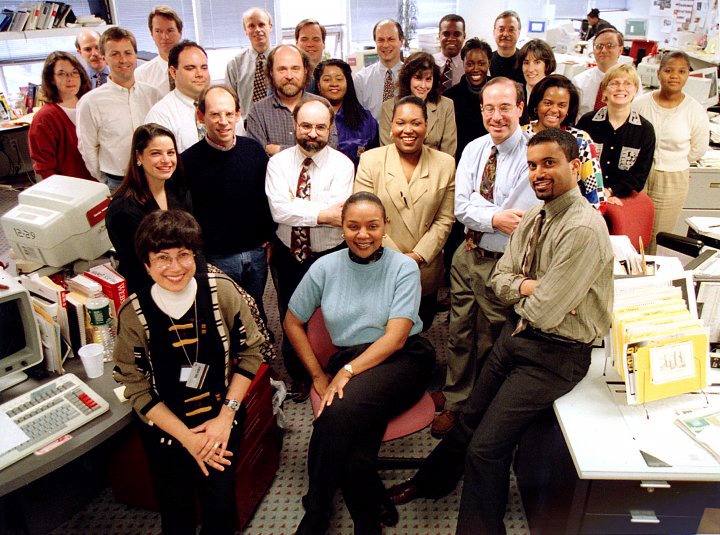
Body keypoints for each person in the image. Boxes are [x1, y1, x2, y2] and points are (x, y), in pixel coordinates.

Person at [388, 127, 614, 535]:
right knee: (469, 416)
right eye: (532, 165)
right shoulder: (535, 217)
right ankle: (430, 483)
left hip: (556, 355)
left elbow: (545, 313)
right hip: (519, 335)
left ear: (575, 167)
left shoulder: (581, 229)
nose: (538, 173)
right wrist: (531, 287)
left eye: (550, 163)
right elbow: (501, 280)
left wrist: (526, 291)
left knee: (486, 450)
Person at [286, 191, 436, 534]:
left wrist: (346, 372)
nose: (363, 234)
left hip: (403, 358)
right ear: (342, 228)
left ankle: (317, 509)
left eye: (372, 225)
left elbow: (396, 337)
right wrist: (317, 375)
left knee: (334, 413)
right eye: (353, 226)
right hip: (350, 360)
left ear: (385, 227)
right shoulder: (323, 267)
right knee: (355, 455)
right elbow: (292, 322)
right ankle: (369, 515)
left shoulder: (403, 267)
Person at [113, 209, 267, 534]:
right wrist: (188, 439)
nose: (175, 267)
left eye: (184, 255)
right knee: (176, 512)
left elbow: (251, 352)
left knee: (221, 510)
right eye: (163, 258)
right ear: (146, 263)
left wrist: (225, 419)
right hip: (167, 431)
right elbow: (136, 386)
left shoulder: (221, 291)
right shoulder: (133, 314)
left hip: (220, 421)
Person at [430, 77, 540, 438]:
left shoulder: (531, 154)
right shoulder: (475, 148)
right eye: (489, 108)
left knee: (492, 336)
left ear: (521, 109)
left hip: (504, 264)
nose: (497, 116)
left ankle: (485, 407)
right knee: (458, 331)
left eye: (505, 107)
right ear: (481, 110)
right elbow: (462, 207)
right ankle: (456, 399)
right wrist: (492, 216)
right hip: (468, 254)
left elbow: (518, 217)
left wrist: (487, 212)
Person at [265, 96, 354, 401]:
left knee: (332, 315)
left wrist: (297, 205)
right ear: (294, 126)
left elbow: (338, 215)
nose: (312, 133)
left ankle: (333, 368)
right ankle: (300, 375)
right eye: (305, 125)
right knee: (292, 314)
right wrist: (321, 212)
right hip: (288, 254)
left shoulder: (343, 165)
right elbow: (279, 211)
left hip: (330, 254)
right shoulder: (277, 163)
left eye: (320, 127)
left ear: (330, 128)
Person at [355, 96, 455, 330]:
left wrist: (417, 257)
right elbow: (363, 219)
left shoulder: (445, 163)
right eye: (401, 123)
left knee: (420, 328)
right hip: (379, 264)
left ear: (426, 127)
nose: (408, 130)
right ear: (391, 127)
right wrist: (398, 261)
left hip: (424, 267)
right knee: (378, 332)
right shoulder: (371, 160)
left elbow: (444, 219)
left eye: (416, 123)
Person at [182, 85, 275, 325]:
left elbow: (265, 197)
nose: (223, 121)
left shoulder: (253, 150)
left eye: (229, 114)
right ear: (201, 116)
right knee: (224, 316)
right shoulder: (188, 162)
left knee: (256, 309)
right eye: (214, 114)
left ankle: (262, 357)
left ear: (238, 114)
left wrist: (268, 238)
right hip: (217, 257)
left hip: (255, 253)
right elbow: (186, 214)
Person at [633, 51, 709, 253]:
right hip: (638, 174)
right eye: (668, 70)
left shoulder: (694, 110)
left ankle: (652, 280)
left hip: (673, 178)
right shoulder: (640, 103)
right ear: (658, 73)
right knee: (634, 231)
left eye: (681, 71)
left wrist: (675, 162)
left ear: (687, 76)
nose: (674, 76)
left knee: (658, 236)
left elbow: (698, 149)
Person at [106, 123, 192, 293]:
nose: (166, 160)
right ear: (138, 156)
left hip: (183, 279)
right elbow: (138, 264)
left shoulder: (179, 190)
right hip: (148, 289)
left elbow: (193, 243)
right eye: (156, 153)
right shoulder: (123, 208)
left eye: (171, 153)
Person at [77, 27, 161, 192]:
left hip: (154, 177)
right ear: (104, 57)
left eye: (128, 53)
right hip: (117, 183)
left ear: (135, 55)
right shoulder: (90, 102)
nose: (123, 60)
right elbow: (87, 148)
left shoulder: (153, 95)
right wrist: (104, 180)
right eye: (115, 54)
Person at [524, 74, 606, 209]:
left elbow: (596, 195)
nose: (554, 110)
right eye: (548, 103)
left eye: (562, 105)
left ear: (569, 109)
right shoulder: (519, 136)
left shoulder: (580, 140)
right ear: (536, 104)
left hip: (569, 218)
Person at [577, 63, 655, 202]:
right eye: (614, 83)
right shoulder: (587, 122)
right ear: (604, 90)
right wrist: (597, 194)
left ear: (635, 90)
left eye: (627, 83)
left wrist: (610, 192)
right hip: (585, 197)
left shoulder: (645, 130)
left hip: (624, 199)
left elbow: (639, 175)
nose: (621, 88)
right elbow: (576, 162)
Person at [246, 45, 338, 156]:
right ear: (271, 72)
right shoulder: (257, 111)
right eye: (282, 69)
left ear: (305, 70)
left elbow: (330, 150)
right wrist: (310, 149)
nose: (289, 76)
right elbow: (257, 156)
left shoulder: (322, 105)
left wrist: (278, 150)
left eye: (295, 68)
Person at [28, 51, 94, 180]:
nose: (70, 78)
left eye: (75, 72)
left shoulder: (91, 104)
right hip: (71, 188)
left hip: (103, 184)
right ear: (51, 79)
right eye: (61, 74)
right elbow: (44, 168)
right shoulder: (45, 118)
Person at [379, 52, 457, 157]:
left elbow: (448, 153)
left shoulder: (446, 105)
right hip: (398, 170)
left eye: (428, 79)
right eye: (418, 78)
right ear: (408, 78)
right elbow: (387, 152)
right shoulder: (389, 107)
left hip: (436, 170)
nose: (423, 85)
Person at [144, 40, 213, 153]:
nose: (199, 74)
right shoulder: (160, 115)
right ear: (173, 72)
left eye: (204, 67)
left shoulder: (223, 105)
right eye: (190, 68)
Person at [314, 59, 379, 168]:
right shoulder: (308, 116)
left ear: (348, 82)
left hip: (357, 182)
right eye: (327, 79)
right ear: (318, 85)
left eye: (339, 79)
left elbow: (375, 160)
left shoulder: (365, 120)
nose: (334, 84)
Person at [444, 38, 491, 162]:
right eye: (469, 64)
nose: (475, 69)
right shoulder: (449, 97)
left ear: (489, 63)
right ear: (463, 63)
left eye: (481, 63)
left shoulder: (500, 91)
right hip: (461, 161)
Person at [225, 7, 273, 118]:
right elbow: (229, 102)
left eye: (261, 24)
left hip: (277, 124)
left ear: (270, 27)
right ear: (245, 30)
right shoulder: (234, 65)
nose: (257, 29)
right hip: (247, 126)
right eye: (251, 26)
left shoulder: (282, 60)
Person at [353, 19, 404, 120]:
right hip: (372, 135)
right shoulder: (360, 79)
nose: (385, 45)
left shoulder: (413, 77)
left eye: (391, 39)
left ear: (401, 41)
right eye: (380, 40)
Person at [573, 28, 627, 117]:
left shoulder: (631, 82)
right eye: (599, 46)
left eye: (610, 45)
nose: (604, 50)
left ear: (620, 50)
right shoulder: (579, 81)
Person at [135, 6, 183, 96]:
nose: (165, 37)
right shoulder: (142, 74)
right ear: (152, 34)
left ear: (180, 32)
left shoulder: (195, 68)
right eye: (158, 31)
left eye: (170, 30)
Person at [434, 14, 467, 92]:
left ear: (464, 36)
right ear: (439, 35)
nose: (451, 39)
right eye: (446, 34)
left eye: (457, 34)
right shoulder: (429, 63)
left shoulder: (471, 65)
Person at [517, 39, 555, 104]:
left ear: (547, 65)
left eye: (537, 62)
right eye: (526, 63)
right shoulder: (515, 94)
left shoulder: (556, 95)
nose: (530, 69)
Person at [490, 11, 524, 83]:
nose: (505, 34)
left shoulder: (525, 61)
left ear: (519, 33)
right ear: (494, 32)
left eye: (511, 30)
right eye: (501, 29)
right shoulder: (486, 61)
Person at [295, 19, 325, 94]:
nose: (310, 44)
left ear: (324, 43)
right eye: (304, 39)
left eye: (316, 39)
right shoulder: (284, 79)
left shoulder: (336, 79)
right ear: (296, 43)